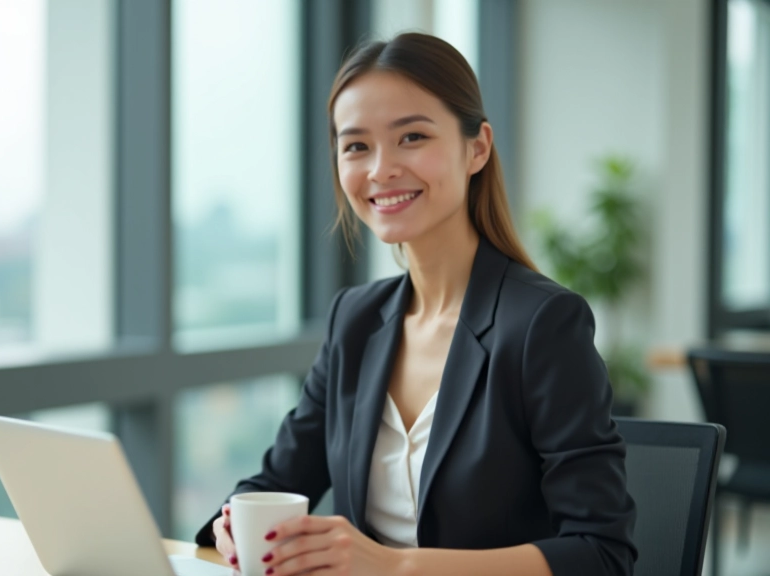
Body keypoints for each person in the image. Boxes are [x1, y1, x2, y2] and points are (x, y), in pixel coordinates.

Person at [195, 33, 637, 576]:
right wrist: (232, 524)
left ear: (477, 148)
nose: (381, 169)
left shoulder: (542, 324)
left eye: (411, 137)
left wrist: (395, 566)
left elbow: (600, 553)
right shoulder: (353, 320)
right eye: (356, 146)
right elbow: (278, 482)